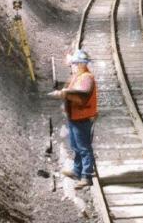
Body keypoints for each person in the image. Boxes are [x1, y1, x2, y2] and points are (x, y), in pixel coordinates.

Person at [49, 49, 97, 189]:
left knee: (84, 147)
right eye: (74, 63)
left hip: (82, 117)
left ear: (82, 64)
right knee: (76, 146)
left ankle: (86, 176)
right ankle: (77, 171)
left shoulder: (87, 77)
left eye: (76, 63)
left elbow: (83, 94)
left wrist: (64, 93)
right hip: (74, 116)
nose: (73, 65)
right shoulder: (79, 75)